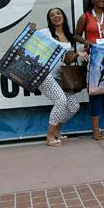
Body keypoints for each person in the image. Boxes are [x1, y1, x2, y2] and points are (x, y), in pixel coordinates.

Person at [74, 0, 104, 139]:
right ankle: (95, 130)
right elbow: (75, 35)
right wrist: (87, 41)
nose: (101, 0)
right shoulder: (86, 17)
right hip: (93, 58)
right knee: (95, 94)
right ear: (92, 0)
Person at [36, 8, 81, 147]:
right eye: (52, 15)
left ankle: (57, 132)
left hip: (61, 77)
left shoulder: (69, 36)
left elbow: (67, 61)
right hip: (45, 74)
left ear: (63, 16)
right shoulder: (45, 32)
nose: (56, 16)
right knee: (61, 100)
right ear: (49, 19)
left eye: (58, 13)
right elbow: (29, 43)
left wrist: (78, 54)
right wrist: (31, 30)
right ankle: (49, 137)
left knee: (74, 106)